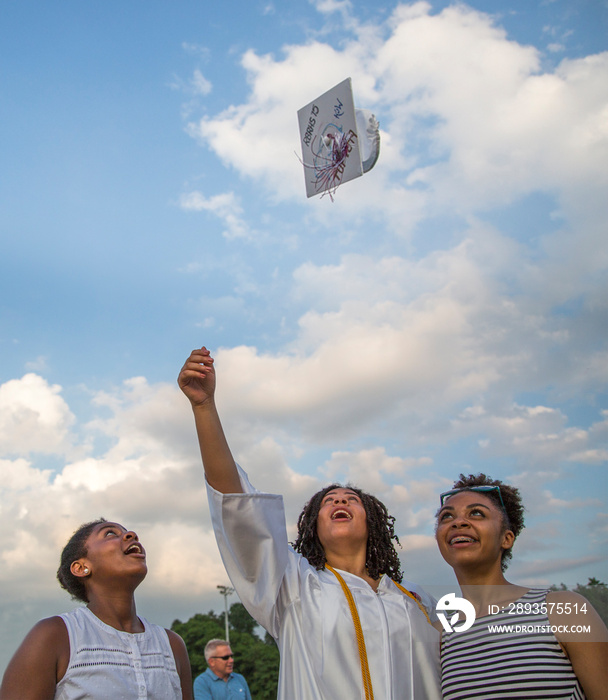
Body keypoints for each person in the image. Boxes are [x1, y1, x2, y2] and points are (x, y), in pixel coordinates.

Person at [178, 346, 441, 700]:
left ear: (374, 523)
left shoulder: (419, 600)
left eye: (352, 498)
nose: (340, 500)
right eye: (328, 501)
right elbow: (238, 507)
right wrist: (204, 407)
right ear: (313, 528)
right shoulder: (294, 586)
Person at [435, 473, 608, 700]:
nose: (458, 522)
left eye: (476, 513)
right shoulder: (439, 635)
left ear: (506, 539)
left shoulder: (564, 609)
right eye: (446, 517)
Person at [0, 518, 193, 700]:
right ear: (81, 567)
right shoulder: (54, 636)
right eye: (109, 534)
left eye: (128, 533)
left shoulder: (172, 645)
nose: (131, 535)